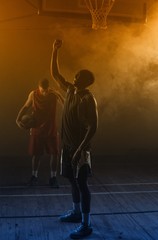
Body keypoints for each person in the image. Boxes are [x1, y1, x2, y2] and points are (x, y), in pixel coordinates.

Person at [50, 39, 98, 239]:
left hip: (81, 149)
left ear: (85, 81)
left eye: (78, 76)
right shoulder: (70, 90)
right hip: (68, 146)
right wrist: (54, 51)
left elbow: (93, 127)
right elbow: (55, 74)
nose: (74, 77)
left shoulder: (88, 99)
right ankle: (76, 213)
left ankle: (86, 225)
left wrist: (80, 150)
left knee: (82, 183)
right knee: (72, 180)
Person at [16, 78, 64, 188]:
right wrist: (17, 120)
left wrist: (59, 94)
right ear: (39, 87)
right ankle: (34, 176)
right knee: (36, 155)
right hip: (37, 129)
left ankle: (53, 178)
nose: (45, 92)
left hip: (51, 128)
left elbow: (65, 104)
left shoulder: (53, 95)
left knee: (55, 154)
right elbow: (25, 107)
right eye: (43, 90)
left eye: (46, 90)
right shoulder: (33, 94)